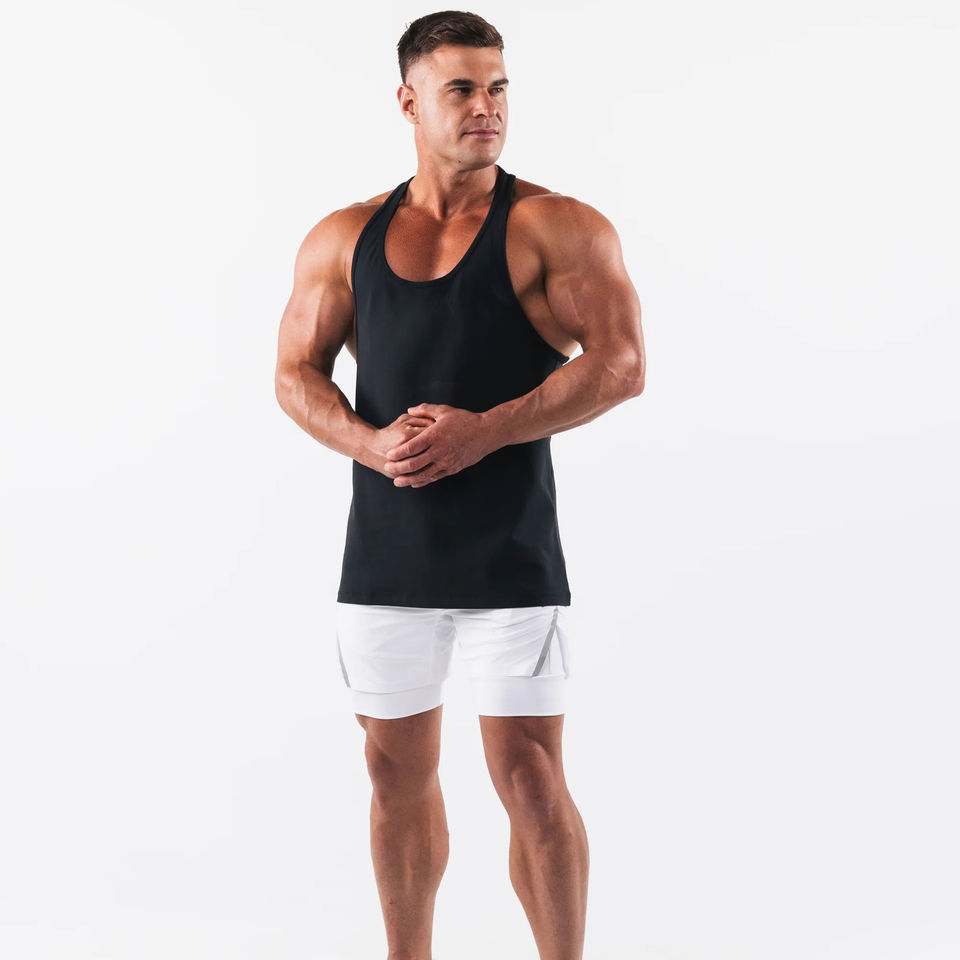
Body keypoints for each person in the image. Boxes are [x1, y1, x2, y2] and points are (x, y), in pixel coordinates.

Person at [274, 10, 645, 959]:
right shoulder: (344, 236)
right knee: (393, 774)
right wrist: (368, 446)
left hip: (510, 553)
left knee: (530, 777)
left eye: (499, 88)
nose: (488, 108)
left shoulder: (556, 226)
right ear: (409, 102)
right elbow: (295, 373)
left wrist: (485, 432)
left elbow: (620, 363)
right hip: (387, 554)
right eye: (463, 90)